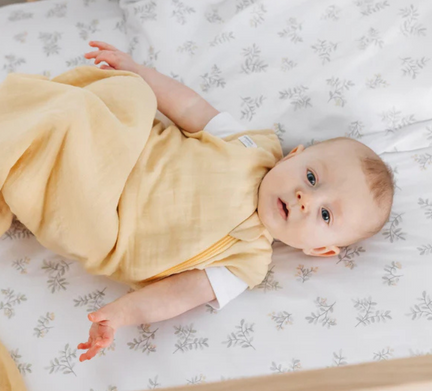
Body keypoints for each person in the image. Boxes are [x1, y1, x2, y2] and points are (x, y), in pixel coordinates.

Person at [77, 41, 395, 362]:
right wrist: (138, 72)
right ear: (293, 156)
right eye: (311, 177)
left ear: (320, 250)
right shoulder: (250, 146)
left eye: (325, 215)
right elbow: (189, 108)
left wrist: (120, 315)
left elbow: (178, 294)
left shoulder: (246, 264)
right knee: (67, 116)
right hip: (114, 148)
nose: (306, 199)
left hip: (98, 224)